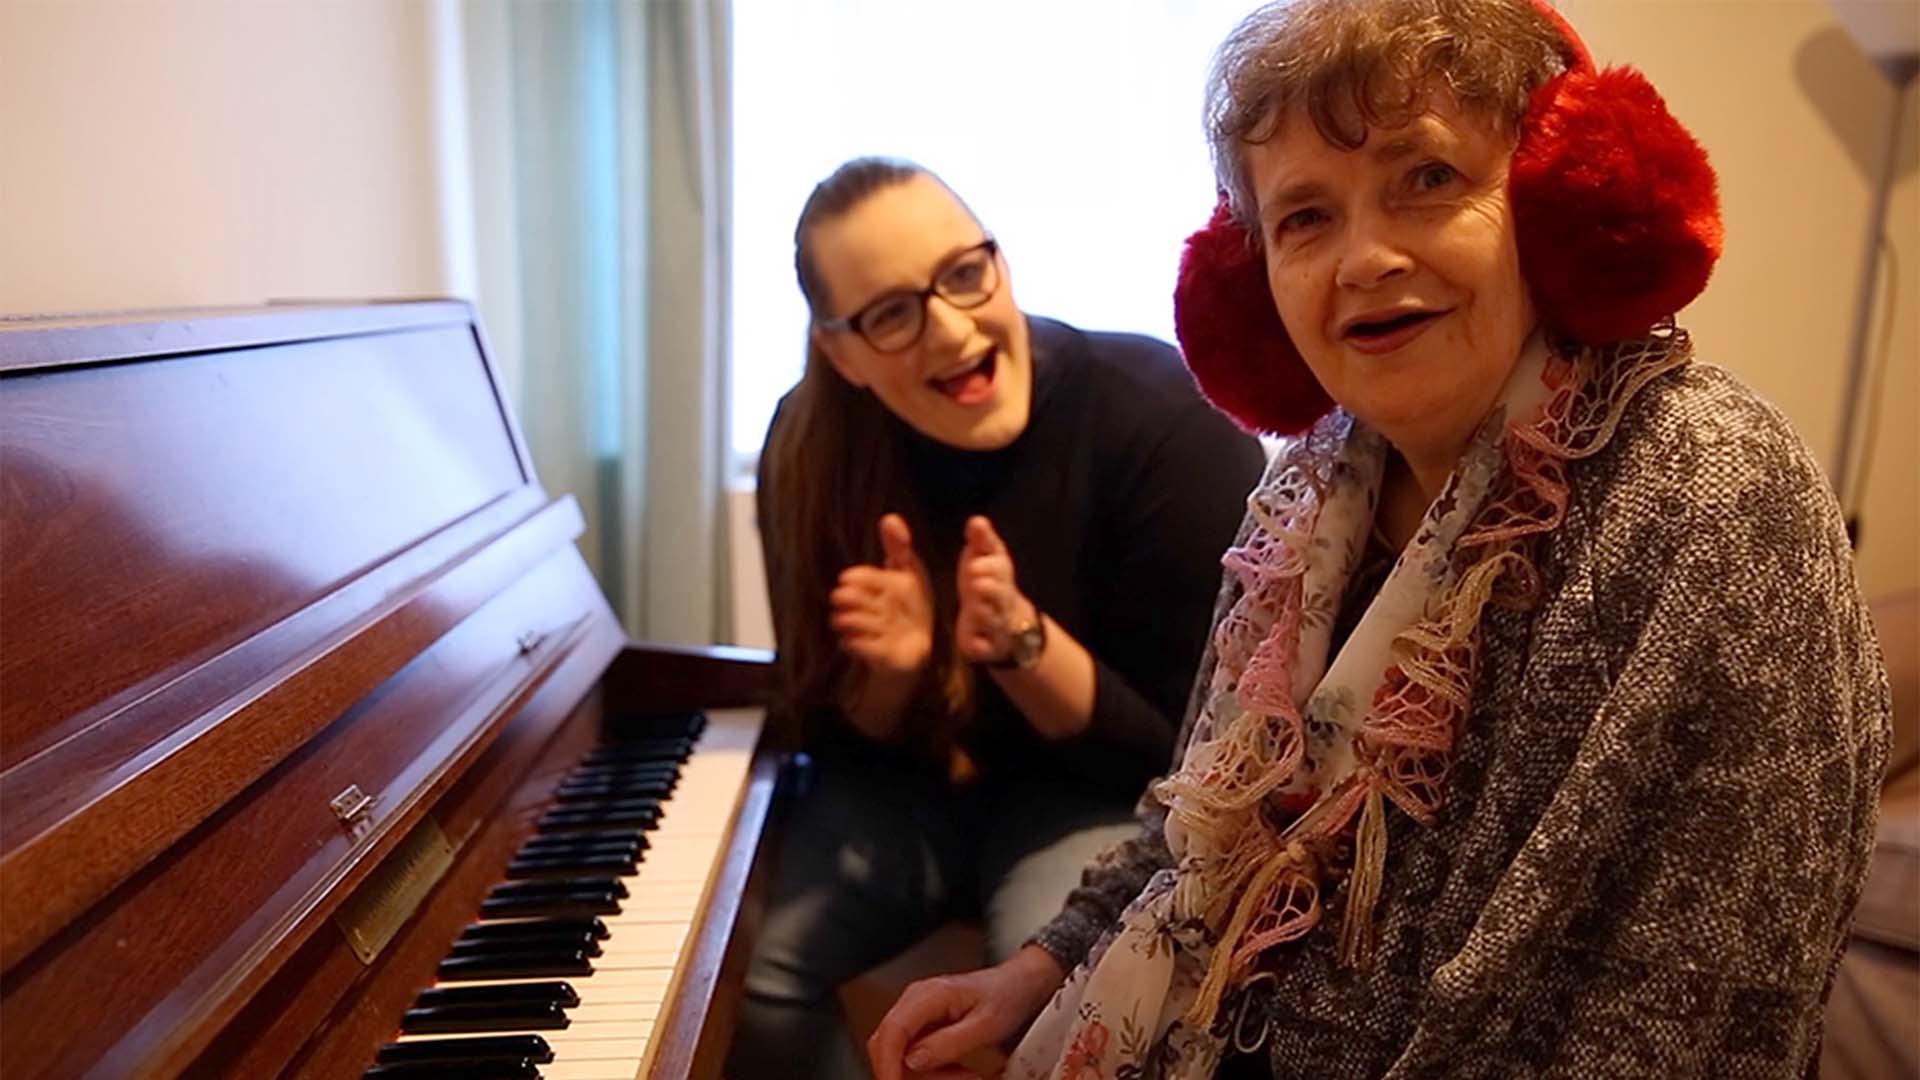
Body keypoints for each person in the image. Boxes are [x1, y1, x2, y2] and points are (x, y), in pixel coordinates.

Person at [868, 2, 1893, 1077]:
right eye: (1306, 217)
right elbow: (1193, 833)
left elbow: (1694, 1019)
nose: (1364, 258)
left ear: (1557, 200)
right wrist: (1037, 968)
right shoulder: (1300, 507)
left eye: (1428, 179)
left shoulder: (1712, 491)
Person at [728, 157, 1267, 1079]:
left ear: (1001, 262)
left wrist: (1027, 650)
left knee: (1072, 1004)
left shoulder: (1162, 419)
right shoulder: (809, 447)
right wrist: (891, 680)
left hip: (1105, 799)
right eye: (892, 314)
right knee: (736, 972)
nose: (949, 330)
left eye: (964, 273)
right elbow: (823, 741)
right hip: (904, 800)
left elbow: (1213, 771)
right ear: (841, 353)